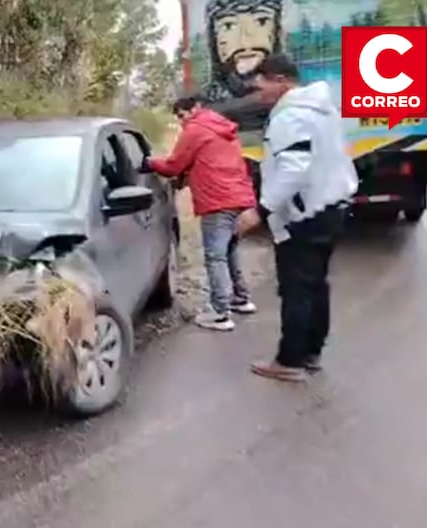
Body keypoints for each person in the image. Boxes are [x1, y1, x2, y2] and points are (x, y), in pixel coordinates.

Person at [235, 53, 358, 382]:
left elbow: (293, 170)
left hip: (307, 215)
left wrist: (260, 211)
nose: (257, 91)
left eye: (261, 83)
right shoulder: (322, 109)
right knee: (316, 284)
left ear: (281, 81)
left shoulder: (291, 117)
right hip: (330, 207)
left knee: (297, 288)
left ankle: (290, 361)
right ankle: (311, 352)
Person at [142, 95, 258, 331]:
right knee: (229, 250)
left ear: (194, 109)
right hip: (240, 197)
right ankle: (241, 298)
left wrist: (149, 163)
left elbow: (173, 165)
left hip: (217, 201)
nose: (182, 122)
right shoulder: (223, 129)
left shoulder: (196, 129)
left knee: (215, 257)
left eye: (182, 116)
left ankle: (220, 313)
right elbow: (202, 162)